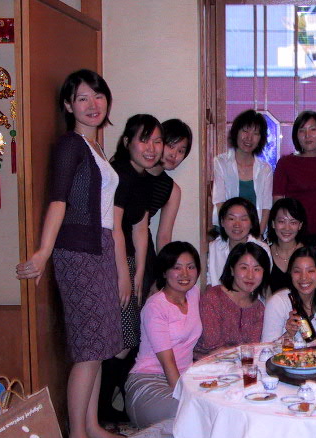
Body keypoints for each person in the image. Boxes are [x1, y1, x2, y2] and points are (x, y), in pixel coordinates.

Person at [15, 69, 124, 438]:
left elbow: (107, 213)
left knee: (100, 344)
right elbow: (58, 200)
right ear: (68, 105)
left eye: (98, 95)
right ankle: (77, 436)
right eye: (82, 98)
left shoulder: (96, 148)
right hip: (77, 252)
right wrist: (43, 251)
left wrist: (118, 269)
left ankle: (91, 426)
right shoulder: (70, 145)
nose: (93, 104)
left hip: (100, 248)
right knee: (89, 346)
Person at [124, 241, 202, 429]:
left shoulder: (194, 294)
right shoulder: (156, 306)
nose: (185, 274)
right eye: (177, 268)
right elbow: (168, 363)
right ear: (165, 272)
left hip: (184, 380)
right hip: (149, 384)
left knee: (209, 411)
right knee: (191, 413)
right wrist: (183, 395)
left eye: (190, 267)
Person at [111, 114, 164, 350]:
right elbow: (114, 227)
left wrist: (140, 272)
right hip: (111, 260)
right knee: (121, 340)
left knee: (132, 336)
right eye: (144, 140)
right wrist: (124, 274)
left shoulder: (145, 177)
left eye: (157, 141)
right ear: (126, 142)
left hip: (130, 259)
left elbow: (140, 228)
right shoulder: (118, 174)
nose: (152, 148)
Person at [273, 110, 316, 245]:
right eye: (302, 130)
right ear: (296, 135)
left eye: (313, 129)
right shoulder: (285, 163)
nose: (307, 135)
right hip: (292, 233)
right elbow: (278, 202)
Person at [195, 242, 270, 359]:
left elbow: (253, 348)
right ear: (232, 270)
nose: (250, 276)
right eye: (244, 268)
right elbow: (213, 346)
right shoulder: (214, 298)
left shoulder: (259, 308)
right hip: (206, 365)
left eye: (257, 269)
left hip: (240, 365)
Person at [143, 119, 192, 295]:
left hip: (143, 247)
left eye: (181, 151)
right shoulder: (131, 170)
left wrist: (162, 275)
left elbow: (164, 236)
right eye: (171, 146)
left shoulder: (172, 189)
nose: (174, 155)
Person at [212, 109, 272, 233]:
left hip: (254, 233)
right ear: (236, 132)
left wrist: (259, 235)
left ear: (260, 139)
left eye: (256, 133)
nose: (249, 138)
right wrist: (230, 234)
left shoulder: (265, 169)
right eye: (245, 131)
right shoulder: (221, 162)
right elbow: (219, 201)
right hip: (226, 232)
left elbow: (266, 206)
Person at [262, 246, 316, 345]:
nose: (304, 277)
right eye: (297, 271)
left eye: (310, 271)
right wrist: (289, 334)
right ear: (290, 273)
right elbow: (265, 348)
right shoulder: (278, 303)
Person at [206, 197, 271, 286]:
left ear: (252, 223)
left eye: (243, 219)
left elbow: (264, 284)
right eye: (231, 219)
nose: (237, 225)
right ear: (222, 222)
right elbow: (209, 282)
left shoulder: (262, 249)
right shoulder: (214, 247)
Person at [267, 198, 307, 294]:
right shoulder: (265, 253)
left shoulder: (309, 254)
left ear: (300, 225)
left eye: (293, 222)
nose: (287, 228)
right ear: (273, 223)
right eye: (281, 221)